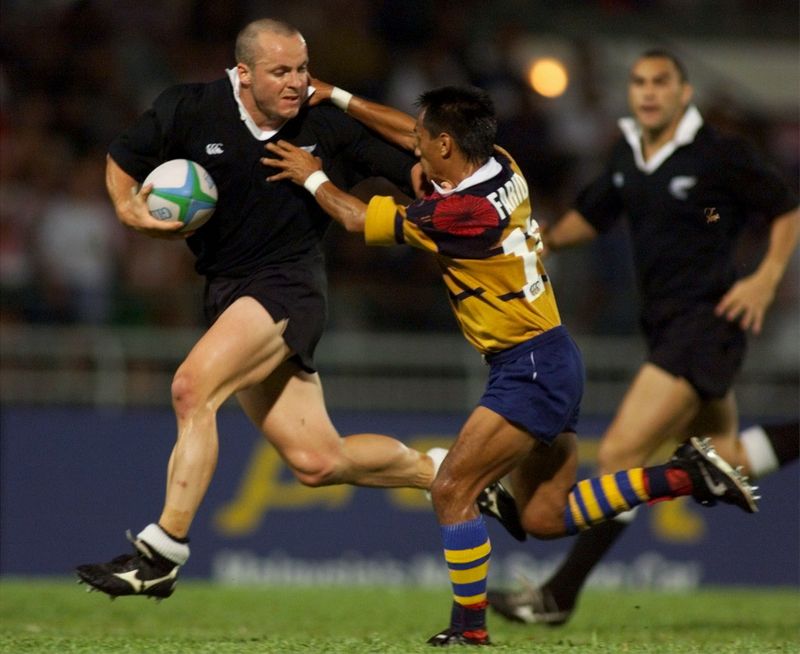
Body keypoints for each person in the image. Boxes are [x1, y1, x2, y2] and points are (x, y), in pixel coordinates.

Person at [263, 81, 757, 646]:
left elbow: (354, 219)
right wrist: (338, 95)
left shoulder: (458, 213)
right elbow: (410, 132)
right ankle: (684, 474)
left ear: (447, 144)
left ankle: (468, 632)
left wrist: (311, 175)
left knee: (451, 488)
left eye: (425, 141)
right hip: (551, 356)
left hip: (529, 368)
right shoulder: (500, 162)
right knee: (544, 518)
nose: (414, 148)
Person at [74, 18, 521, 602]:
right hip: (228, 293)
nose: (295, 82)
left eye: (302, 69)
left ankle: (162, 556)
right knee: (317, 461)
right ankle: (449, 475)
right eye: (280, 71)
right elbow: (121, 157)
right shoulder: (189, 108)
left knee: (192, 388)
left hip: (289, 288)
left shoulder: (325, 124)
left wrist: (350, 108)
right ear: (243, 74)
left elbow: (418, 156)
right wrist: (128, 211)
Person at [485, 49, 800, 626]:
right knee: (725, 456)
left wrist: (765, 278)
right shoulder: (628, 152)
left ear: (684, 93)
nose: (649, 92)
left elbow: (787, 209)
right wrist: (544, 242)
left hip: (708, 323)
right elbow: (595, 215)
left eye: (661, 82)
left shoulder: (719, 153)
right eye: (639, 82)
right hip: (665, 328)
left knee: (622, 457)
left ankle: (557, 597)